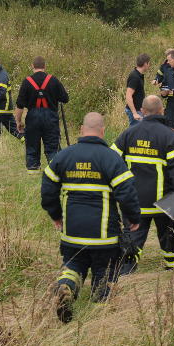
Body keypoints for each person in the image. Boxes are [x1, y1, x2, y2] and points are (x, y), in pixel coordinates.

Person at [41, 112, 141, 323]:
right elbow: (127, 193)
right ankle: (98, 320)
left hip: (72, 234)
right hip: (104, 236)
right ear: (102, 131)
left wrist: (56, 215)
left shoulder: (64, 156)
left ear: (81, 129)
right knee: (104, 273)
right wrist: (133, 218)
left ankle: (66, 286)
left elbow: (48, 188)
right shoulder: (111, 158)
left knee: (73, 265)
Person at [112, 95, 174, 273]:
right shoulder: (170, 136)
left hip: (134, 202)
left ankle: (123, 273)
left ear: (142, 111)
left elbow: (110, 160)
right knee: (170, 236)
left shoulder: (128, 133)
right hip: (165, 204)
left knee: (132, 241)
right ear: (162, 111)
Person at [14, 57, 69, 173]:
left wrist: (18, 121)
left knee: (32, 146)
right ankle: (55, 172)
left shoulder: (27, 81)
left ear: (32, 66)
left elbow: (19, 106)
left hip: (33, 118)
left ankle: (33, 171)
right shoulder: (53, 80)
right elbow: (65, 99)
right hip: (50, 118)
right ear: (45, 66)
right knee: (52, 147)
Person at [125, 53, 151, 126]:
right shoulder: (135, 77)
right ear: (145, 64)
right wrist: (134, 113)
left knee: (139, 132)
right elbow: (128, 95)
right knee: (135, 133)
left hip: (139, 110)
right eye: (149, 63)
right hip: (135, 111)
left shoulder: (139, 75)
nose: (149, 66)